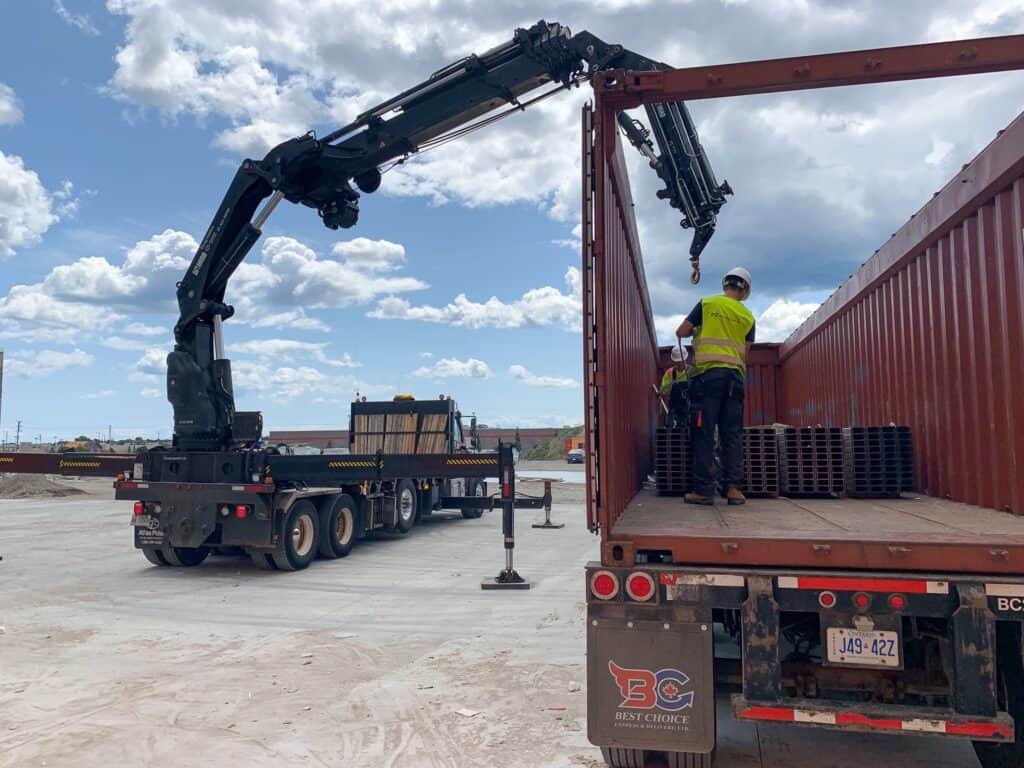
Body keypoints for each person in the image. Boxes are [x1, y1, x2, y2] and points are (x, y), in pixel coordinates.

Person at [675, 267, 755, 506]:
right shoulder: (748, 316)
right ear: (745, 291)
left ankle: (704, 491)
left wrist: (699, 331)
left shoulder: (707, 304)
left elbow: (681, 331)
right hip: (735, 380)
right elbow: (746, 353)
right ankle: (733, 489)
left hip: (708, 378)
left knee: (704, 433)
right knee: (732, 435)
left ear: (725, 285)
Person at [660, 345, 692, 429]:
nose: (680, 363)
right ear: (674, 361)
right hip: (674, 410)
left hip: (689, 411)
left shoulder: (692, 372)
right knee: (672, 431)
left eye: (681, 361)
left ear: (685, 359)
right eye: (678, 361)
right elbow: (664, 390)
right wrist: (661, 392)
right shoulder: (670, 373)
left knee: (688, 432)